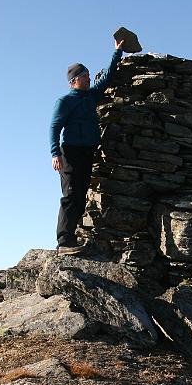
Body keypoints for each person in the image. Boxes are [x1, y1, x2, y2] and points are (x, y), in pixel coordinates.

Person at [49, 38, 125, 255]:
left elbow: (108, 76)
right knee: (71, 195)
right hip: (70, 152)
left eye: (89, 74)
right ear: (74, 80)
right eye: (85, 76)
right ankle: (63, 242)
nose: (89, 78)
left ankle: (72, 239)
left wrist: (117, 52)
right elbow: (54, 127)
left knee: (81, 195)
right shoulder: (65, 101)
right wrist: (55, 153)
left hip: (87, 151)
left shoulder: (91, 96)